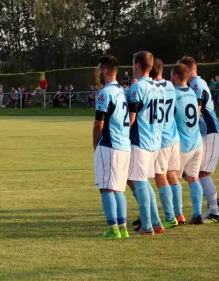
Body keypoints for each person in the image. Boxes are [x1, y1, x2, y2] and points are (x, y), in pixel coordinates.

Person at [93, 55, 131, 239]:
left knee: (106, 188)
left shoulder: (105, 93)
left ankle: (113, 228)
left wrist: (95, 144)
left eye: (99, 69)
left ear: (105, 70)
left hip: (109, 144)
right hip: (124, 144)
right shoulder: (123, 91)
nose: (98, 73)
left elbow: (98, 123)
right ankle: (123, 227)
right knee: (118, 188)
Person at [127, 51, 164, 235]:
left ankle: (147, 226)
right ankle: (156, 222)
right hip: (155, 141)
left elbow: (131, 119)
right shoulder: (160, 87)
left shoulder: (137, 88)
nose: (132, 67)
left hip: (140, 140)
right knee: (145, 182)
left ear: (139, 65)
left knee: (139, 182)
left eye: (133, 64)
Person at [179, 56, 219, 223]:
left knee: (201, 172)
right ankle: (213, 204)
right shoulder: (196, 84)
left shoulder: (196, 84)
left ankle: (215, 211)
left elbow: (197, 109)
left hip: (209, 131)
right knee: (191, 172)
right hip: (204, 133)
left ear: (187, 69)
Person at [149, 58, 183, 228]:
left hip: (161, 140)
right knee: (172, 175)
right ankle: (179, 213)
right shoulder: (171, 86)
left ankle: (170, 217)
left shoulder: (151, 88)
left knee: (160, 176)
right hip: (174, 137)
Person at [171, 63, 205, 225]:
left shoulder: (173, 94)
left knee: (173, 178)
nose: (170, 79)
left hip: (182, 144)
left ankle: (178, 215)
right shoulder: (192, 91)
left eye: (171, 75)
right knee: (193, 178)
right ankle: (197, 214)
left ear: (177, 76)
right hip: (197, 142)